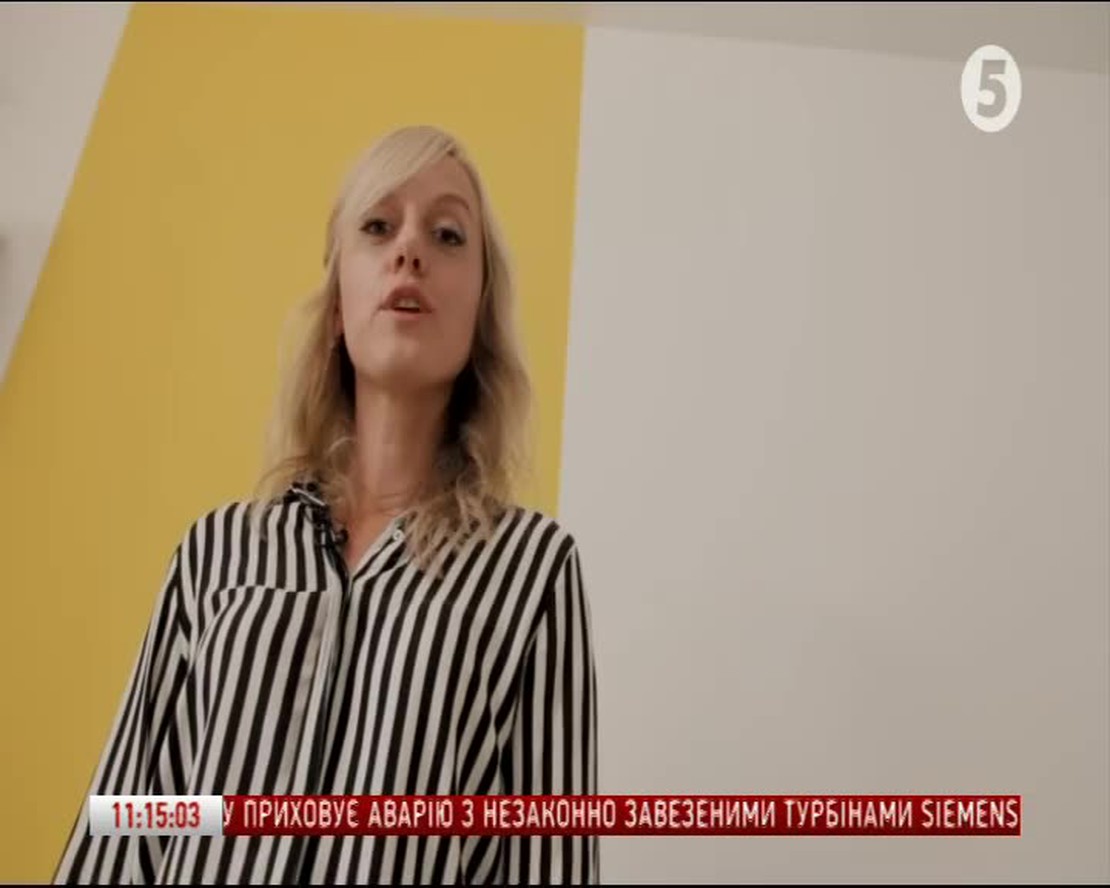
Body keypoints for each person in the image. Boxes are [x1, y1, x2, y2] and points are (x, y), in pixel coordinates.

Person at [53, 125, 600, 884]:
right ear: (340, 303)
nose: (409, 251)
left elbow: (551, 862)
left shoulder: (533, 573)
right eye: (378, 226)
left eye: (447, 234)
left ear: (481, 313)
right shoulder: (217, 554)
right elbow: (123, 833)